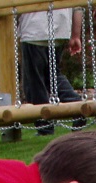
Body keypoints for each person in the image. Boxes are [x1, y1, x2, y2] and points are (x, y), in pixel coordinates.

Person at [19, 7, 87, 135]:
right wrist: (75, 35)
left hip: (35, 30)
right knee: (53, 77)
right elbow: (78, 7)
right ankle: (77, 105)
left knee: (35, 82)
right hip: (60, 30)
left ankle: (45, 126)